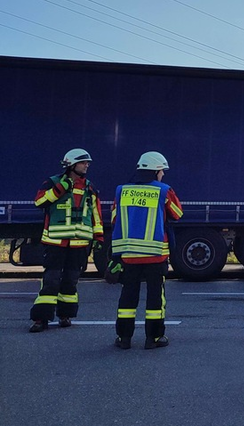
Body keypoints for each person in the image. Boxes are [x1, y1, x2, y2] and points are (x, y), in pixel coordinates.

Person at [109, 151, 183, 350]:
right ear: (155, 171)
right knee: (155, 299)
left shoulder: (121, 191)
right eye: (162, 171)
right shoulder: (163, 190)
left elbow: (114, 218)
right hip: (155, 256)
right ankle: (154, 339)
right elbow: (177, 214)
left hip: (129, 256)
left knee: (127, 297)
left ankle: (124, 339)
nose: (163, 175)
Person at [29, 148, 104, 333]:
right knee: (51, 280)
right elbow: (40, 202)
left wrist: (99, 237)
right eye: (83, 162)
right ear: (71, 164)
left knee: (71, 281)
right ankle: (41, 318)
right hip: (55, 242)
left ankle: (65, 315)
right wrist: (60, 189)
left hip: (79, 244)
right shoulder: (53, 183)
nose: (87, 165)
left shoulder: (90, 187)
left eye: (87, 162)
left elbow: (96, 214)